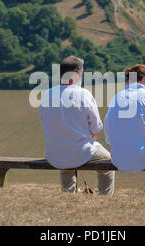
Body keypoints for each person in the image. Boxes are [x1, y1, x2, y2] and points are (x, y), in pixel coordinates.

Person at [39, 56, 115, 195]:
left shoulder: (47, 95)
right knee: (107, 162)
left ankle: (68, 194)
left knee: (66, 158)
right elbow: (97, 126)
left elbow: (44, 124)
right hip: (81, 151)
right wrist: (92, 139)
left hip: (54, 153)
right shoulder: (83, 94)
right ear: (76, 74)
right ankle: (105, 197)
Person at [104, 64, 145, 195]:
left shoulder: (116, 97)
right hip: (143, 158)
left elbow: (108, 129)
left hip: (118, 159)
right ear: (143, 79)